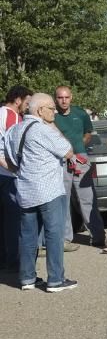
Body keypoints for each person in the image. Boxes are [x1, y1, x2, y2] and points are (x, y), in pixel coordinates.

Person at [0, 93, 79, 291]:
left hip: (25, 190)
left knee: (27, 236)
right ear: (39, 110)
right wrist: (52, 127)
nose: (54, 112)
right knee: (54, 234)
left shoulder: (15, 130)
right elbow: (68, 150)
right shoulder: (43, 130)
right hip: (49, 190)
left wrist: (21, 172)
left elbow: (8, 159)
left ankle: (27, 278)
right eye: (51, 108)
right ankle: (55, 279)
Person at [53, 85, 107, 250]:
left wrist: (80, 146)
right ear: (55, 98)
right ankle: (65, 239)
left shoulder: (80, 113)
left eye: (66, 97)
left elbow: (88, 132)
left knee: (88, 198)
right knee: (63, 200)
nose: (64, 101)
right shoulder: (52, 116)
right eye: (60, 97)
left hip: (81, 159)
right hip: (61, 161)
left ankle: (99, 236)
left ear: (71, 97)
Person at [0, 86, 33, 271]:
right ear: (18, 100)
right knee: (13, 220)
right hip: (7, 174)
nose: (27, 107)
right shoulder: (12, 116)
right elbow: (17, 144)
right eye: (27, 102)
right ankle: (13, 260)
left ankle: (4, 258)